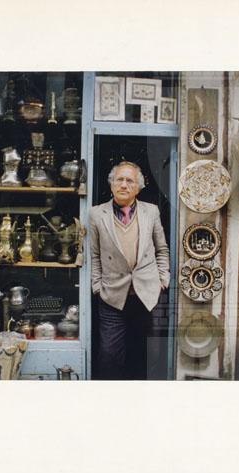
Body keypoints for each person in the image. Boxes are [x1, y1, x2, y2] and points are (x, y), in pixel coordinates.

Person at [89, 161, 170, 380]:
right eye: (119, 180)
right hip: (112, 296)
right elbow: (94, 255)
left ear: (138, 187)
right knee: (109, 355)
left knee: (146, 354)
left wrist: (163, 278)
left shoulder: (151, 211)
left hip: (147, 294)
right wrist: (97, 286)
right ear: (111, 184)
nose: (124, 185)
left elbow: (162, 249)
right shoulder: (96, 214)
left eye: (129, 181)